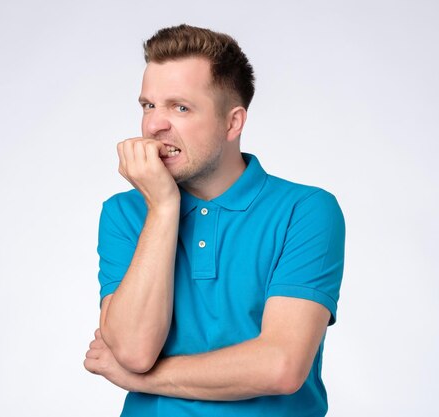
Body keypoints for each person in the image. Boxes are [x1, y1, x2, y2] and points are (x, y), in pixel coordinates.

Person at [84, 24, 345, 417]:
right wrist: (163, 207)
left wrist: (144, 381)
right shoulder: (124, 213)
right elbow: (134, 351)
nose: (155, 125)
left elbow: (281, 366)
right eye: (148, 105)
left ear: (232, 123)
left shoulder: (305, 210)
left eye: (180, 107)